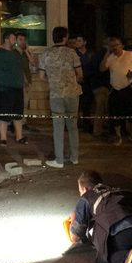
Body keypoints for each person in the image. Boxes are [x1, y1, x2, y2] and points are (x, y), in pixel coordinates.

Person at [39, 26, 83, 168]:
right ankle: (74, 157)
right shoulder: (72, 53)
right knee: (73, 127)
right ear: (65, 37)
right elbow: (80, 74)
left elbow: (41, 76)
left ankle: (59, 160)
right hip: (72, 94)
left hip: (56, 95)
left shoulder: (46, 54)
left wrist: (53, 81)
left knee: (58, 127)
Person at [0, 31, 27, 146]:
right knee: (3, 115)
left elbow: (20, 70)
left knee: (18, 114)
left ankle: (19, 136)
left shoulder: (16, 53)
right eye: (13, 38)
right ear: (6, 39)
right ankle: (3, 138)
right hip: (4, 88)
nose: (15, 40)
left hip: (17, 88)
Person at [100, 36, 132, 145]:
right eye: (112, 46)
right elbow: (102, 68)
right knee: (115, 113)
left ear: (122, 45)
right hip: (115, 88)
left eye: (117, 45)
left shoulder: (130, 54)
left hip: (128, 87)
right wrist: (107, 53)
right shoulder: (110, 57)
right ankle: (118, 136)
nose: (115, 47)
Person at [89, 38, 112, 137]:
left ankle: (99, 129)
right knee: (101, 109)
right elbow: (101, 69)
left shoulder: (97, 54)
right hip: (102, 85)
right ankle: (98, 130)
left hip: (98, 85)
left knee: (101, 108)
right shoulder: (103, 54)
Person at [15, 32, 36, 130]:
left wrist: (27, 51)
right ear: (16, 40)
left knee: (25, 103)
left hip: (28, 81)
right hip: (18, 82)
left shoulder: (26, 53)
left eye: (24, 40)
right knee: (18, 103)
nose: (22, 42)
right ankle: (15, 123)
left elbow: (33, 62)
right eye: (20, 39)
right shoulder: (13, 52)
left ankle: (24, 122)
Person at [75, 35, 95, 133]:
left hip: (88, 81)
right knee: (77, 104)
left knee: (87, 104)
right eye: (76, 41)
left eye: (79, 41)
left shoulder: (91, 54)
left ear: (84, 42)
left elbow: (94, 67)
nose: (77, 43)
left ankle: (87, 123)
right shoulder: (74, 53)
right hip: (77, 81)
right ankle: (76, 123)